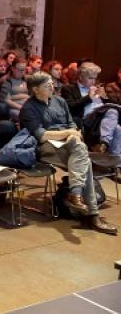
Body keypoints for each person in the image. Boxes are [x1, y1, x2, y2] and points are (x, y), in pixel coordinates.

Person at [19, 72, 117, 234]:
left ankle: (78, 197)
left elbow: (71, 123)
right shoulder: (28, 108)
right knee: (82, 157)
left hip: (69, 143)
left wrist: (72, 133)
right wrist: (69, 133)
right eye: (46, 85)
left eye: (51, 83)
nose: (52, 86)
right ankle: (91, 214)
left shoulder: (60, 101)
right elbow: (41, 135)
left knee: (80, 151)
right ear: (35, 90)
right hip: (45, 147)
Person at [61, 62, 106, 127]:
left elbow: (106, 105)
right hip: (86, 120)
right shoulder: (69, 88)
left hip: (102, 117)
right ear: (81, 77)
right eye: (90, 78)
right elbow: (71, 108)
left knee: (117, 128)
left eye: (95, 78)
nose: (93, 81)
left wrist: (105, 98)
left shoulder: (97, 88)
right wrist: (88, 97)